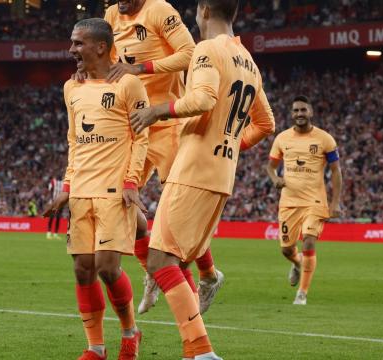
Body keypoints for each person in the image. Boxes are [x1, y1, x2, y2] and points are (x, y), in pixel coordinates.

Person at [130, 0, 275, 358]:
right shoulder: (248, 61)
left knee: (161, 260)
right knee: (170, 260)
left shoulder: (208, 49)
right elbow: (266, 123)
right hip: (221, 173)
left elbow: (204, 98)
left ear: (205, 11)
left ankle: (201, 351)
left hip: (194, 168)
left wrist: (156, 110)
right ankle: (198, 346)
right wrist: (230, 144)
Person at [101, 0, 223, 315]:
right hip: (134, 124)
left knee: (179, 213)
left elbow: (190, 54)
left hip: (168, 122)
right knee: (120, 200)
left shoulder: (160, 11)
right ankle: (152, 272)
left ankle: (208, 276)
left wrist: (140, 67)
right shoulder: (112, 15)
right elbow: (111, 67)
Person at [44, 18, 149, 360]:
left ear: (100, 47)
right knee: (82, 268)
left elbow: (141, 136)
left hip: (114, 191)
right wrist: (67, 185)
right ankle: (96, 347)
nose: (71, 49)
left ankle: (131, 332)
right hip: (80, 192)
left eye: (77, 43)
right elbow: (74, 141)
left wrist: (132, 181)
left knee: (106, 267)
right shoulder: (70, 88)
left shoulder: (130, 85)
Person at [266, 95, 343, 306]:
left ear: (311, 112)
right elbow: (271, 167)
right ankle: (298, 262)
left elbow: (336, 171)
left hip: (315, 201)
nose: (299, 114)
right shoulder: (282, 139)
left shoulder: (325, 139)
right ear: (292, 114)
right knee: (286, 250)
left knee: (309, 239)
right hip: (289, 201)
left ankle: (302, 293)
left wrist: (335, 202)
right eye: (296, 111)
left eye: (303, 110)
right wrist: (275, 179)